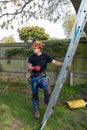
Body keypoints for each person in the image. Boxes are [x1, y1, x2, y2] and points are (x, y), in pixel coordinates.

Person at [27, 40, 63, 119]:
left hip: (42, 77)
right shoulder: (31, 57)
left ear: (39, 48)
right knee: (35, 95)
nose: (33, 49)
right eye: (33, 48)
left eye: (34, 48)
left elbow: (55, 62)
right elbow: (29, 66)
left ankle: (47, 101)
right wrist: (33, 68)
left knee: (47, 91)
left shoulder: (46, 56)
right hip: (34, 78)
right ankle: (36, 110)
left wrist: (63, 64)